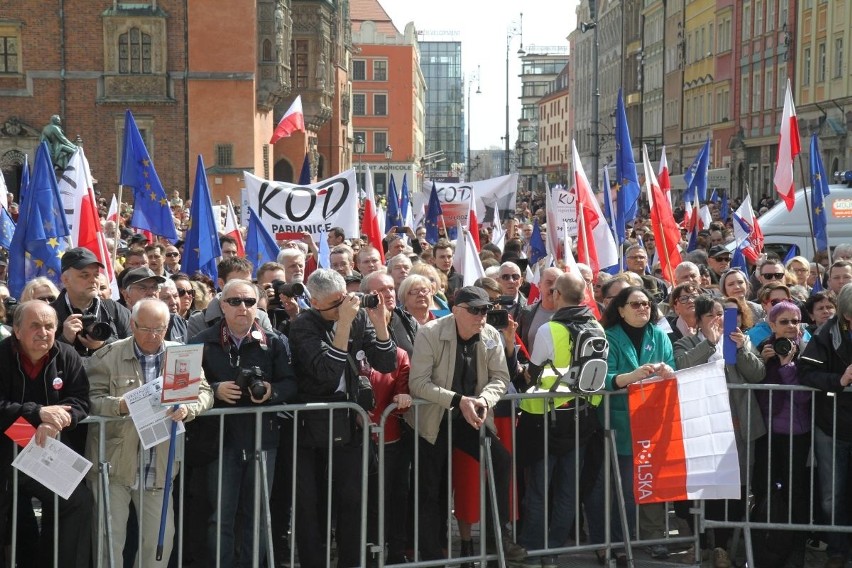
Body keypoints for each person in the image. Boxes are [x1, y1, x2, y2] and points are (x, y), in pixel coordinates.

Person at [86, 299, 213, 566]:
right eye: (146, 329)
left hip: (160, 464)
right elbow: (89, 399)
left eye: (160, 329)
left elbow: (205, 393)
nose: (153, 336)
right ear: (132, 324)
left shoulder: (181, 356)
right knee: (110, 542)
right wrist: (119, 405)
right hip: (115, 464)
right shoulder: (108, 356)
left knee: (160, 542)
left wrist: (189, 409)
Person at [406, 286, 527, 563]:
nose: (481, 316)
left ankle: (497, 535)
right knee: (430, 488)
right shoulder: (430, 332)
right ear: (456, 310)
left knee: (501, 459)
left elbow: (500, 378)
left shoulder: (491, 335)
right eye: (475, 310)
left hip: (470, 416)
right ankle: (432, 555)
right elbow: (418, 383)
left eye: (485, 309)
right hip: (433, 420)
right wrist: (458, 399)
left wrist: (483, 399)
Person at [289, 269, 397, 568]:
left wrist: (380, 325)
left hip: (350, 420)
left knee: (353, 501)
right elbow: (326, 373)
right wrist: (344, 324)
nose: (340, 309)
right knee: (312, 506)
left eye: (342, 302)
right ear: (314, 302)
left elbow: (386, 363)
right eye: (333, 306)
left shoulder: (358, 316)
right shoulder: (302, 326)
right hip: (311, 425)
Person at [191, 280, 297, 567]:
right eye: (235, 301)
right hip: (219, 443)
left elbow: (290, 383)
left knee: (259, 515)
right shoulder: (200, 341)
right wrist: (214, 389)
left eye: (250, 302)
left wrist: (271, 392)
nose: (243, 308)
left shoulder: (273, 341)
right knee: (221, 515)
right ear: (222, 305)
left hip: (264, 440)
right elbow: (182, 388)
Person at [517, 272, 602, 566]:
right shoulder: (597, 328)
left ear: (557, 295)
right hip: (581, 419)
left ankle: (532, 550)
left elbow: (535, 371)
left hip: (545, 419)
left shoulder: (549, 330)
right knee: (567, 490)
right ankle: (552, 551)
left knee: (539, 491)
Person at [674, 295, 766, 568]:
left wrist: (740, 350)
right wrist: (710, 344)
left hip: (737, 427)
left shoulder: (743, 342)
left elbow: (758, 374)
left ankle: (722, 547)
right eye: (712, 315)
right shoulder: (686, 342)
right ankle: (701, 543)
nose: (720, 320)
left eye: (725, 314)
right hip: (702, 428)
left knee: (734, 490)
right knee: (700, 490)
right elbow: (682, 366)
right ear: (698, 320)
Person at [586, 286, 675, 562]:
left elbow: (671, 366)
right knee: (615, 489)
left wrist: (668, 372)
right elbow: (604, 377)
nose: (642, 309)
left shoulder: (659, 335)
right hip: (618, 424)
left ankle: (632, 538)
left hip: (650, 423)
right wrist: (632, 376)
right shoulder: (608, 337)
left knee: (642, 486)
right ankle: (610, 542)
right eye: (635, 304)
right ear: (620, 309)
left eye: (646, 304)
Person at [0, 301, 92, 566]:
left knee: (78, 501)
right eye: (35, 326)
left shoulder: (67, 355)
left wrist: (58, 421)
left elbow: (81, 401)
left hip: (43, 447)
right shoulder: (2, 355)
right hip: (5, 449)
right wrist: (38, 413)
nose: (43, 332)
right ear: (16, 330)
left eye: (50, 326)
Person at [752, 300, 810, 566]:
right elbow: (760, 393)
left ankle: (795, 547)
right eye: (784, 321)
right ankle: (764, 547)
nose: (790, 327)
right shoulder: (761, 350)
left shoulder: (809, 351)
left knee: (795, 491)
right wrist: (763, 364)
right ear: (772, 325)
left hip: (798, 433)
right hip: (769, 432)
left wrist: (788, 365)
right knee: (765, 489)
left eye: (795, 321)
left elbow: (802, 398)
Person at [52, 247, 132, 359]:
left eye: (96, 274)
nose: (93, 280)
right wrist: (64, 340)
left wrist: (104, 344)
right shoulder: (50, 313)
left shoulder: (114, 309)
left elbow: (134, 348)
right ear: (66, 280)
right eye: (85, 275)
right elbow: (38, 359)